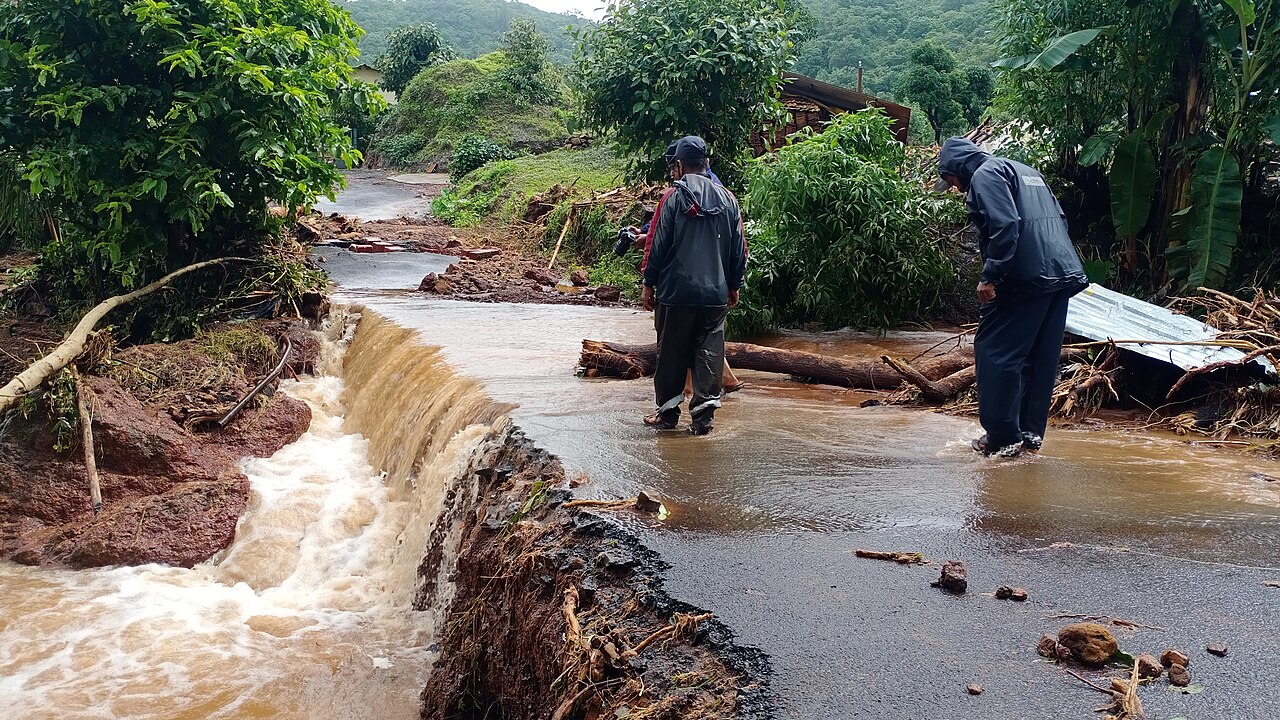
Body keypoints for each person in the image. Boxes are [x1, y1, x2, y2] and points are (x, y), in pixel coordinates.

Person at [935, 137, 1089, 456]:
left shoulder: (986, 174)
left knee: (994, 351)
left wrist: (992, 275)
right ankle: (1029, 436)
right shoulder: (1025, 170)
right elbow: (1061, 220)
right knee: (1039, 357)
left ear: (958, 168)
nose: (953, 187)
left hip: (1025, 277)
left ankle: (1003, 440)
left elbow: (1006, 224)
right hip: (1060, 273)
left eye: (949, 180)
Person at [641, 136, 747, 435]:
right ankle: (703, 421)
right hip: (715, 294)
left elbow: (657, 245)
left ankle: (667, 415)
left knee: (671, 354)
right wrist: (734, 284)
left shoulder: (672, 198)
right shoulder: (728, 198)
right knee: (709, 353)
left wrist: (649, 283)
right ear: (706, 164)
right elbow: (739, 248)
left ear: (678, 166)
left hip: (676, 293)